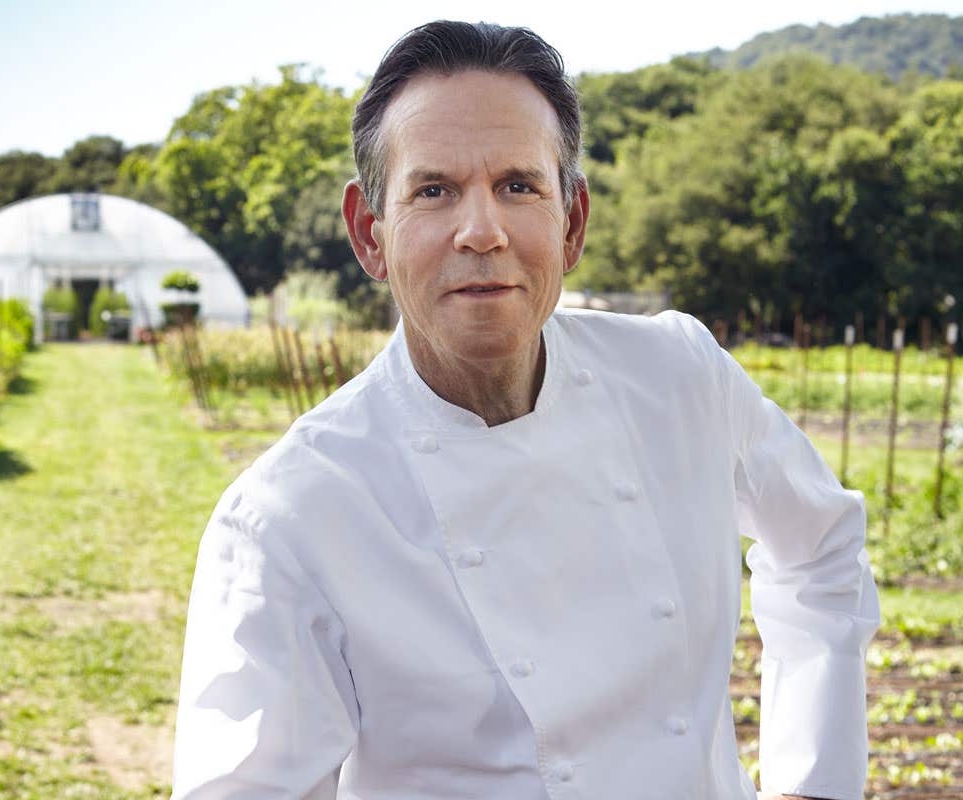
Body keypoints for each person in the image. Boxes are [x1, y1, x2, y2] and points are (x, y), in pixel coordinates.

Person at [172, 20, 879, 800]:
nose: (482, 230)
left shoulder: (681, 380)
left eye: (519, 186)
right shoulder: (289, 516)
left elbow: (822, 549)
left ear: (572, 222)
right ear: (370, 235)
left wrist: (813, 780)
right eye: (433, 190)